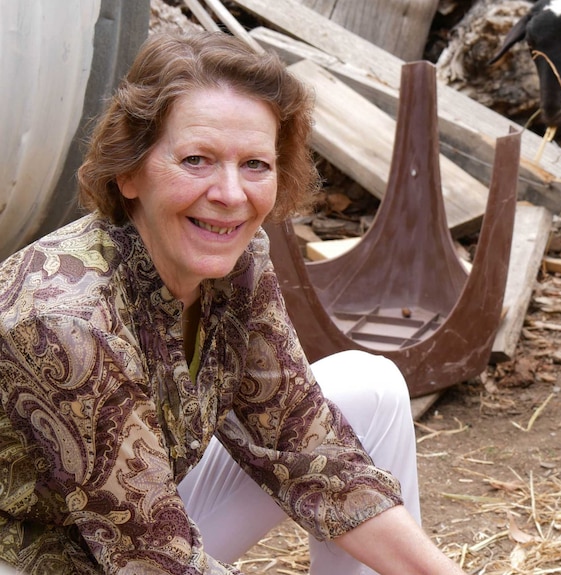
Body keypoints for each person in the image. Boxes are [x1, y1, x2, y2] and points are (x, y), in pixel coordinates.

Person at [0, 31, 467, 575]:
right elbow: (153, 560)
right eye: (197, 159)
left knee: (372, 390)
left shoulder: (236, 263)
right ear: (128, 170)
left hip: (146, 520)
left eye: (255, 165)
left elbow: (309, 446)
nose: (230, 195)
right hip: (34, 553)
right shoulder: (64, 319)